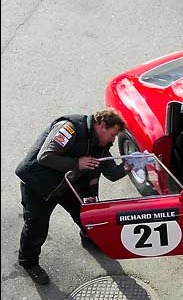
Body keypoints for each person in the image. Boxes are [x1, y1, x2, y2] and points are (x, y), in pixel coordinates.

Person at [16, 108, 131, 285]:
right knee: (36, 228)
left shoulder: (99, 145)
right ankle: (29, 263)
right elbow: (45, 155)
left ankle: (89, 239)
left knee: (85, 215)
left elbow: (111, 173)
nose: (113, 140)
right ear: (101, 125)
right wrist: (76, 163)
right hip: (40, 186)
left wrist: (129, 166)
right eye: (113, 134)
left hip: (68, 184)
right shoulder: (70, 128)